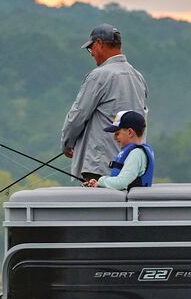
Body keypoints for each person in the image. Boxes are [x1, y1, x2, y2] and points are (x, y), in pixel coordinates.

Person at [61, 22, 148, 183]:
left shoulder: (99, 76)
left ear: (99, 44)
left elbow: (78, 115)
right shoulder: (138, 76)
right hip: (130, 169)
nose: (91, 53)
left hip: (99, 167)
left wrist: (67, 143)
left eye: (91, 48)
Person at [82, 110, 154, 191]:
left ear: (130, 132)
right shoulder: (137, 153)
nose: (115, 138)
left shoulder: (136, 154)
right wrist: (97, 184)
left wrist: (101, 181)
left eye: (117, 134)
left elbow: (122, 182)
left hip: (133, 203)